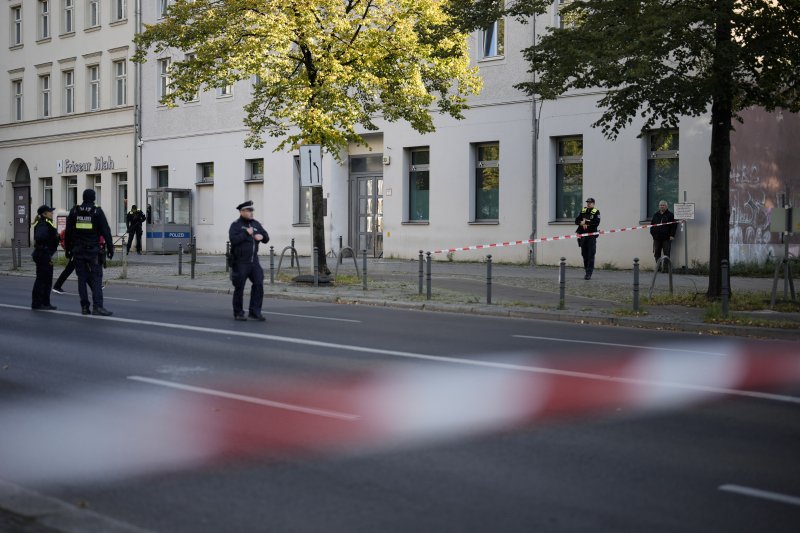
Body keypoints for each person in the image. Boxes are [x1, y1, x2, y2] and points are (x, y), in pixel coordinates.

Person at [64, 188, 114, 316]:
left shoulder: (75, 211)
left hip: (78, 250)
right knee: (96, 279)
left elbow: (68, 232)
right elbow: (106, 231)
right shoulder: (97, 211)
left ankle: (85, 307)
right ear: (93, 198)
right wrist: (110, 248)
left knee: (82, 279)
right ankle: (97, 307)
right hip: (93, 251)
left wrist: (68, 249)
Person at [228, 200, 269, 321]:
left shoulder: (256, 224)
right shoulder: (235, 225)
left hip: (253, 261)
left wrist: (262, 237)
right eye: (248, 211)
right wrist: (246, 233)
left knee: (258, 283)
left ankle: (255, 311)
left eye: (252, 210)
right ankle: (238, 312)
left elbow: (266, 237)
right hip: (240, 261)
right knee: (239, 287)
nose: (251, 213)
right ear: (241, 212)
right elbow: (234, 240)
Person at [31, 205, 60, 310]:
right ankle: (38, 303)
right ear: (44, 214)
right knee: (42, 280)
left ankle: (45, 303)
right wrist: (47, 246)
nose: (52, 213)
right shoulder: (43, 223)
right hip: (43, 254)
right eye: (50, 212)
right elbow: (40, 237)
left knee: (47, 280)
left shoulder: (46, 222)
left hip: (45, 254)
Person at [575, 197, 601, 280]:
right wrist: (581, 223)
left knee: (591, 254)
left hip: (591, 236)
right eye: (587, 202)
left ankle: (589, 273)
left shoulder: (596, 212)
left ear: (593, 203)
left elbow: (596, 223)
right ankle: (586, 270)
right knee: (584, 254)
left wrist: (586, 222)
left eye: (590, 202)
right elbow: (576, 221)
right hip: (583, 236)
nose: (588, 204)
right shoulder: (583, 210)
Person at [650, 200, 677, 271]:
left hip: (666, 238)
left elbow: (674, 226)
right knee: (657, 253)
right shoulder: (655, 215)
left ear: (666, 206)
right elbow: (652, 225)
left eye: (663, 205)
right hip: (657, 238)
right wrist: (653, 234)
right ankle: (658, 268)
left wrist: (672, 235)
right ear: (659, 206)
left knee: (666, 253)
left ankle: (665, 269)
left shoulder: (670, 215)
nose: (661, 206)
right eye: (660, 205)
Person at [52, 229, 74, 294]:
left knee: (83, 270)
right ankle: (57, 286)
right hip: (74, 253)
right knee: (68, 271)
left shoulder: (64, 233)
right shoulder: (66, 233)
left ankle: (57, 286)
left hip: (73, 253)